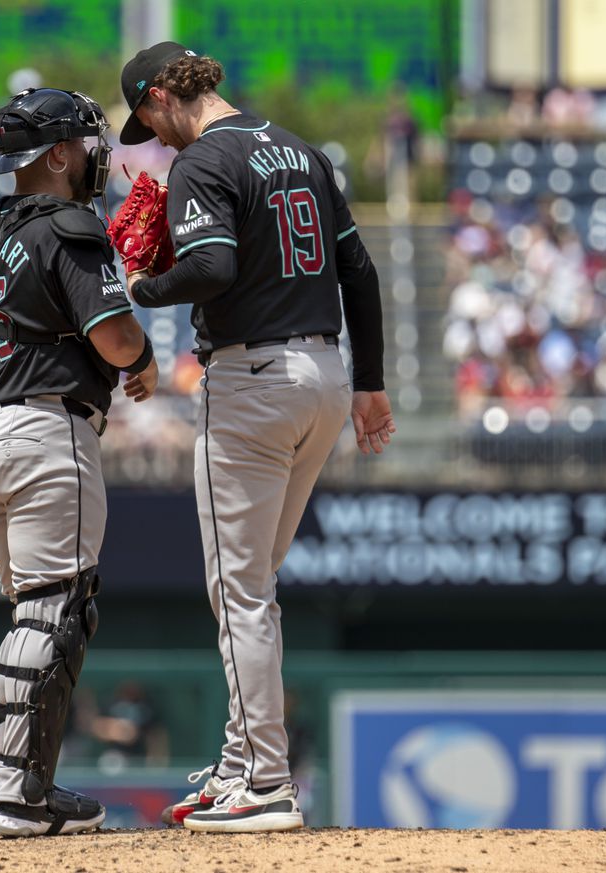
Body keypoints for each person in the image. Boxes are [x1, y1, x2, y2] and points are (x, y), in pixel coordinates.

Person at [116, 42, 394, 833]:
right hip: (326, 380)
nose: (153, 138)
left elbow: (208, 266)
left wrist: (144, 287)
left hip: (253, 383)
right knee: (256, 583)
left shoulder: (203, 161)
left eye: (148, 118)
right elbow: (360, 271)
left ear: (166, 94)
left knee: (240, 590)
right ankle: (244, 759)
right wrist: (370, 383)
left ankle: (266, 781)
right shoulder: (300, 149)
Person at [0, 87, 158, 838]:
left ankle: (26, 780)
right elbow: (117, 342)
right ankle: (14, 790)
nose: (98, 155)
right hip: (47, 428)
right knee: (57, 608)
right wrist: (146, 342)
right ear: (58, 154)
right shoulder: (70, 225)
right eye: (88, 143)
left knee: (38, 609)